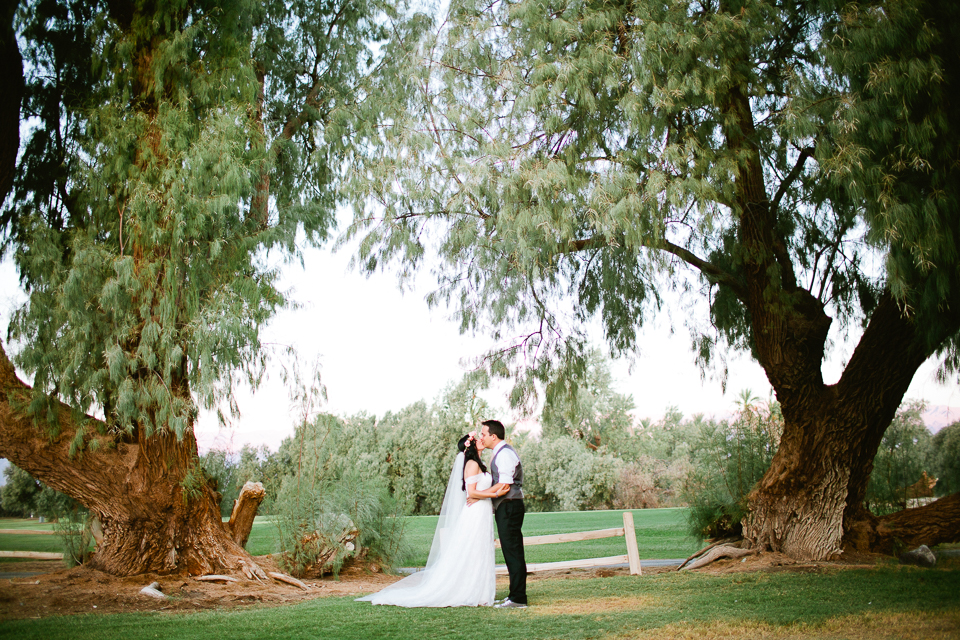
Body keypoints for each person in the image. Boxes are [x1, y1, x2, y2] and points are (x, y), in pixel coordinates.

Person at [356, 432, 509, 607]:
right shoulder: (472, 464)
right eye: (477, 439)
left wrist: (489, 494)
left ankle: (482, 593)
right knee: (472, 550)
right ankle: (469, 591)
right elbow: (471, 493)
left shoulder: (480, 464)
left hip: (482, 512)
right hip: (474, 513)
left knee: (481, 550)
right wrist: (495, 493)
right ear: (471, 446)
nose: (482, 439)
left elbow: (477, 493)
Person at [480, 419, 528, 609]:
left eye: (483, 434)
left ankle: (518, 599)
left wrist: (479, 496)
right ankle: (514, 595)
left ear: (493, 436)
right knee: (511, 552)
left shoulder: (505, 454)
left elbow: (505, 485)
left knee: (513, 552)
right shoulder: (500, 453)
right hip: (506, 506)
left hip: (509, 506)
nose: (481, 437)